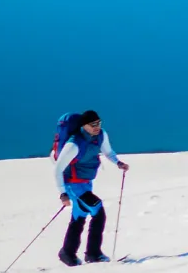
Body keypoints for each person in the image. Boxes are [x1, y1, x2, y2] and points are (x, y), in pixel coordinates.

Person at [52, 110, 128, 266]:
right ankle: (93, 254)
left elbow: (108, 151)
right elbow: (58, 168)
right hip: (73, 185)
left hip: (86, 184)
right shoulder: (74, 144)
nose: (97, 127)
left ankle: (67, 253)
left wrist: (118, 162)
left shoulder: (100, 135)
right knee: (98, 211)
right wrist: (63, 194)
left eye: (99, 123)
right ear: (83, 126)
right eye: (93, 124)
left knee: (79, 216)